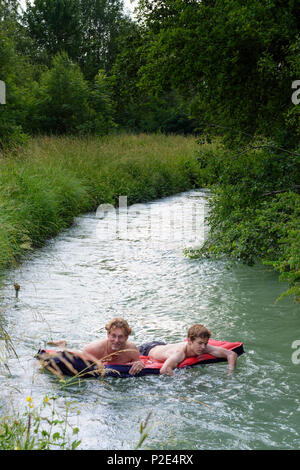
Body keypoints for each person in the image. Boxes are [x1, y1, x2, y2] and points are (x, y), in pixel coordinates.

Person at [48, 317, 145, 376]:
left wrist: (139, 364)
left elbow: (139, 362)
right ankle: (62, 345)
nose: (116, 340)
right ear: (108, 334)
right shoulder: (93, 349)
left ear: (127, 337)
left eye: (120, 337)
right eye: (113, 336)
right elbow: (77, 363)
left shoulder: (131, 350)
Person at [138, 324, 238, 375]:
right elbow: (164, 370)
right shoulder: (179, 354)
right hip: (147, 350)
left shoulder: (204, 347)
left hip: (163, 345)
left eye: (205, 343)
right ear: (190, 341)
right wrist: (181, 379)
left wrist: (230, 372)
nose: (203, 347)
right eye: (199, 343)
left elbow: (231, 354)